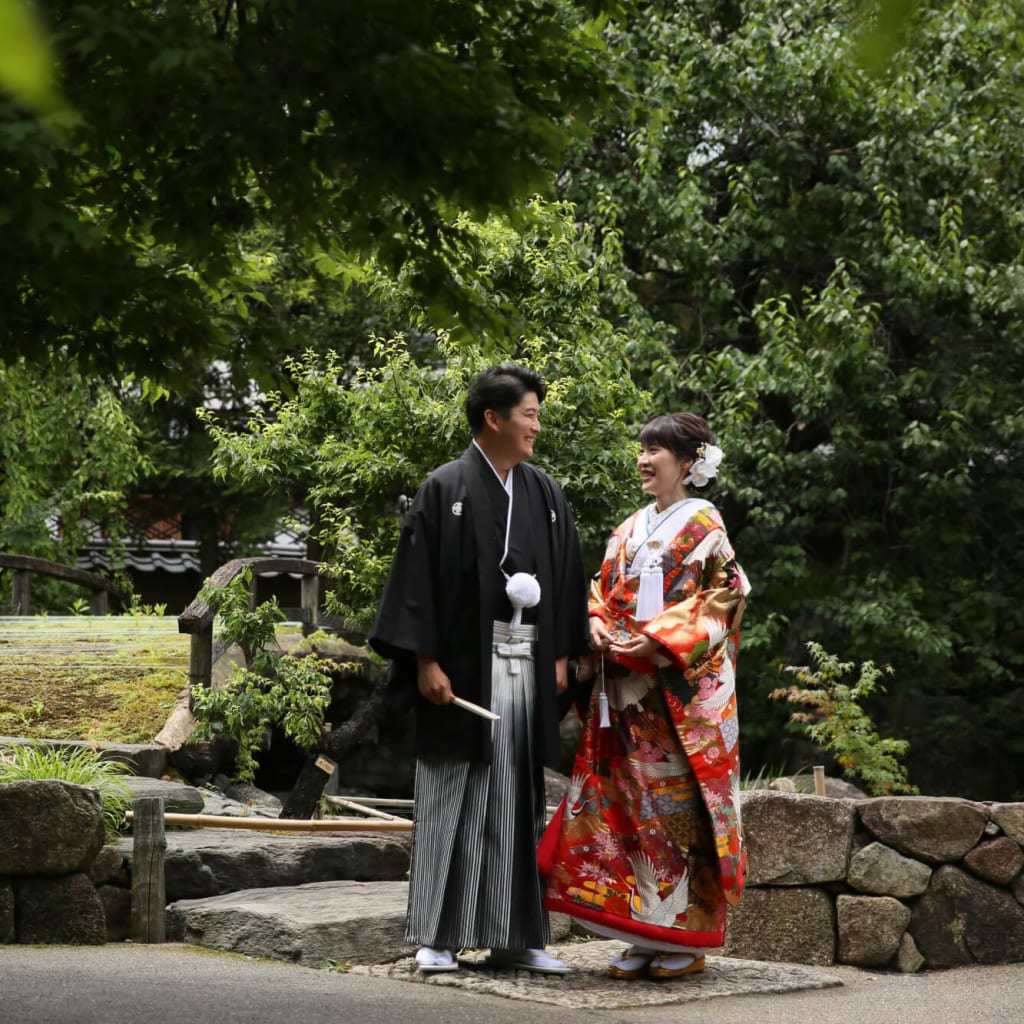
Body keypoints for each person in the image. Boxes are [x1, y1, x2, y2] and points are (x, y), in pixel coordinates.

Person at [370, 363, 589, 976]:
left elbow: (568, 576)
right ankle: (437, 936)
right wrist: (426, 660)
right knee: (451, 795)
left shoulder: (544, 493)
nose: (537, 427)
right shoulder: (445, 488)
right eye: (530, 415)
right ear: (492, 419)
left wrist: (564, 657)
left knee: (516, 798)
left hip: (527, 662)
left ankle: (517, 936)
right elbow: (415, 582)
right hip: (462, 667)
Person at [540, 412, 750, 980]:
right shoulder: (629, 528)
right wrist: (595, 625)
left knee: (681, 813)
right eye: (642, 448)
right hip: (626, 691)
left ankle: (686, 933)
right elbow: (599, 592)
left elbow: (726, 596)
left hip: (677, 694)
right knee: (628, 812)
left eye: (656, 450)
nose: (643, 459)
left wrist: (655, 642)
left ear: (687, 462)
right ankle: (639, 928)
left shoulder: (706, 525)